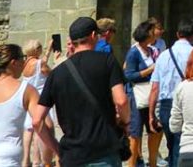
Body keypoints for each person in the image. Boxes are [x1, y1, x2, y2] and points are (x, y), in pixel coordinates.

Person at [33, 16, 130, 167]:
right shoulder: (107, 61)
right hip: (103, 151)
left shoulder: (57, 73)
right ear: (93, 35)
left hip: (72, 155)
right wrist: (126, 122)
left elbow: (37, 120)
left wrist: (57, 149)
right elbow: (121, 100)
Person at [150, 17, 193, 167]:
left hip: (165, 106)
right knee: (182, 147)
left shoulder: (163, 56)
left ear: (178, 34)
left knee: (172, 147)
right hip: (188, 104)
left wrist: (151, 114)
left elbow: (155, 87)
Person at [125, 21, 162, 167]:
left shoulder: (152, 50)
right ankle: (132, 164)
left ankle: (152, 162)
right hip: (138, 96)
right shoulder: (134, 52)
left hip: (150, 96)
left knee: (154, 130)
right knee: (135, 133)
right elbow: (129, 75)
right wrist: (150, 70)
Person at [21, 39, 57, 167]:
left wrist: (47, 52)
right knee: (40, 130)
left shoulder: (24, 64)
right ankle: (37, 161)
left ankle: (25, 160)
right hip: (41, 98)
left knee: (28, 129)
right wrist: (53, 55)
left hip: (28, 98)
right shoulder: (39, 63)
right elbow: (51, 73)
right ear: (37, 49)